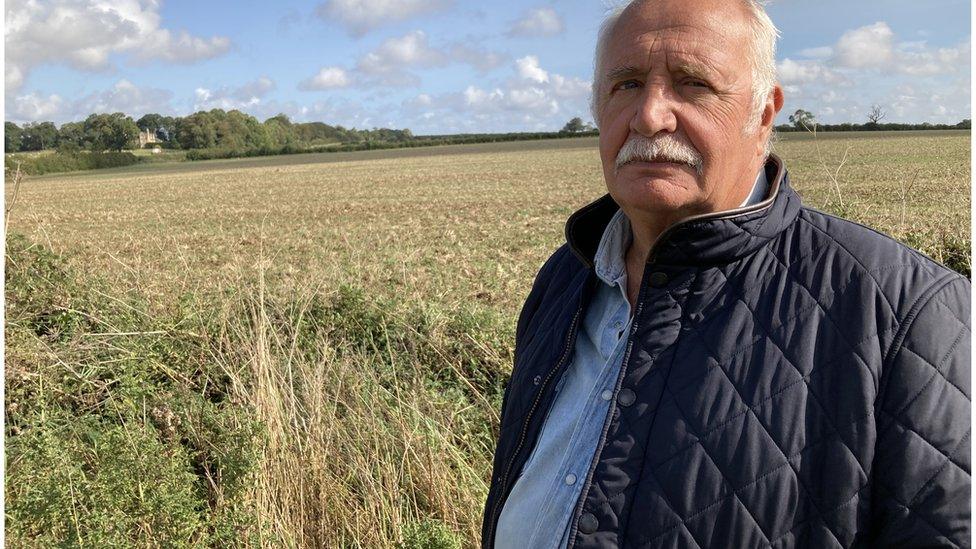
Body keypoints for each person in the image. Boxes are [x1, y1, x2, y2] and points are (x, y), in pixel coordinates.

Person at [481, 0, 971, 547]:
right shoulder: (566, 276)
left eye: (694, 84)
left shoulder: (907, 312)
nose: (649, 116)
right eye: (626, 84)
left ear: (763, 115)